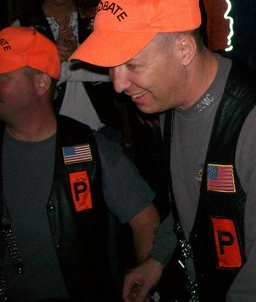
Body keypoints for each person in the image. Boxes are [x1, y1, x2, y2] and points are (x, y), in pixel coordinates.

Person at [68, 0, 256, 301]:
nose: (118, 84)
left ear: (184, 50)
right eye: (111, 66)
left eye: (132, 65)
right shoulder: (171, 105)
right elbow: (192, 206)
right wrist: (158, 258)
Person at [0, 26, 160, 301]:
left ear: (40, 83)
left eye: (3, 76)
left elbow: (146, 220)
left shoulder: (88, 148)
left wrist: (145, 278)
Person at [15, 0, 123, 137]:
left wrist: (79, 55)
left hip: (103, 131)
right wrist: (50, 58)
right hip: (47, 134)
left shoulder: (101, 19)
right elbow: (16, 88)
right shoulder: (22, 28)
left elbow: (121, 72)